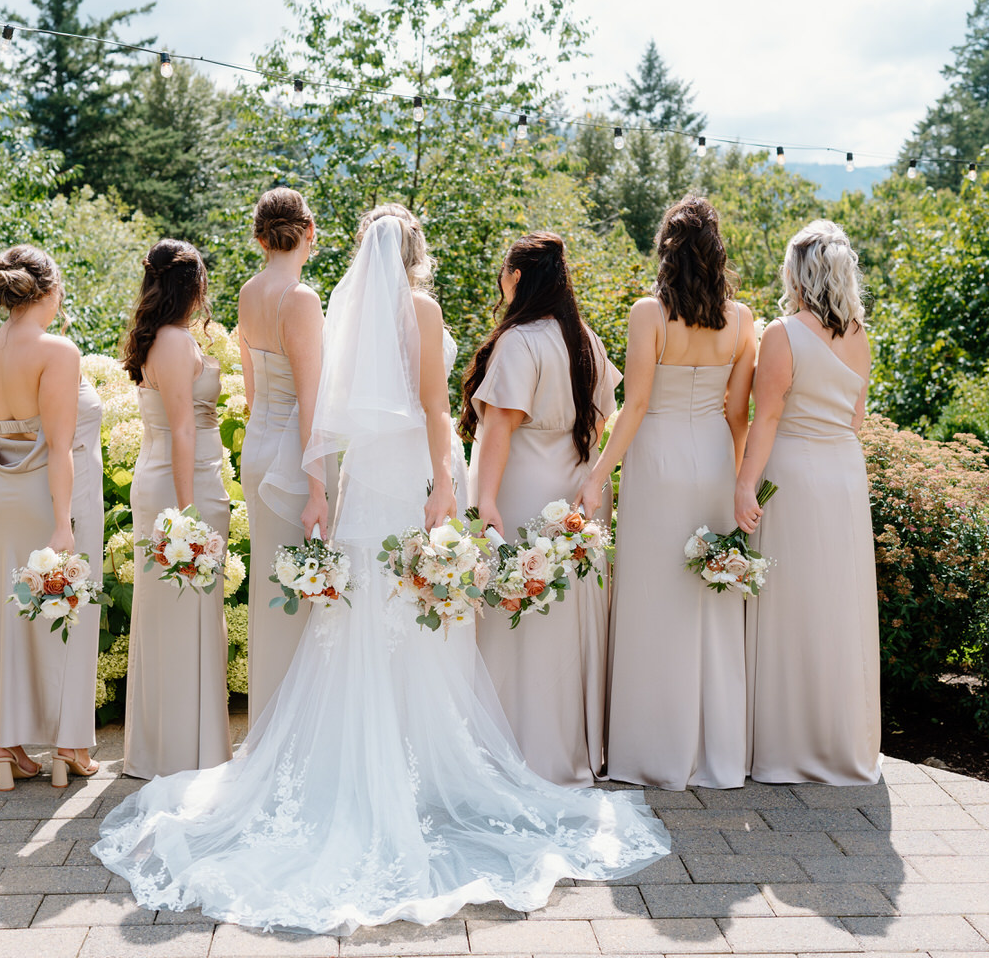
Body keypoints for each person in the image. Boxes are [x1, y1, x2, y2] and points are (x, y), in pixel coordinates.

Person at [93, 211, 670, 935]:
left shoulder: (345, 307)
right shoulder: (419, 309)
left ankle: (367, 768)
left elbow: (325, 407)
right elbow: (433, 407)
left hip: (365, 479)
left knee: (367, 613)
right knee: (419, 615)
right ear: (417, 253)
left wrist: (324, 490)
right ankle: (420, 769)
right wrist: (443, 484)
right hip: (410, 474)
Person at [581, 197, 755, 790]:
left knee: (653, 596)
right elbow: (737, 413)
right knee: (710, 596)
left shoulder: (649, 314)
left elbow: (635, 406)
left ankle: (652, 749)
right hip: (713, 458)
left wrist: (597, 475)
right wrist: (738, 480)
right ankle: (715, 751)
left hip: (657, 460)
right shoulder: (743, 321)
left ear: (666, 251)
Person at [460, 233, 621, 787]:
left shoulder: (520, 341)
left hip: (524, 491)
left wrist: (484, 500)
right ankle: (567, 748)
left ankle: (515, 749)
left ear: (518, 278)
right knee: (565, 620)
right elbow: (602, 419)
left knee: (519, 616)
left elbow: (499, 428)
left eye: (503, 275)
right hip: (575, 495)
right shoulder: (586, 340)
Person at [735, 220, 882, 785]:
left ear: (798, 274)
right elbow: (856, 419)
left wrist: (744, 484)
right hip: (843, 474)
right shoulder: (860, 335)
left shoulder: (782, 333)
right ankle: (839, 740)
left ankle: (786, 744)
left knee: (790, 603)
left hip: (794, 474)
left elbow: (766, 418)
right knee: (837, 604)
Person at [0, 245, 103, 791]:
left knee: (12, 617)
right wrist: (63, 523)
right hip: (51, 498)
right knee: (72, 614)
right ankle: (69, 746)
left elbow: (3, 429)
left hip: (4, 493)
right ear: (48, 290)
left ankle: (8, 746)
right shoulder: (57, 350)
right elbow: (59, 446)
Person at [119, 239, 232, 779]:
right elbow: (183, 428)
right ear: (193, 283)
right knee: (181, 613)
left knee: (186, 613)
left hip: (180, 477)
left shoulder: (165, 337)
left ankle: (183, 745)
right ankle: (180, 752)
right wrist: (187, 514)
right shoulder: (172, 341)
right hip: (180, 486)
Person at [236, 188, 330, 728]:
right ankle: (293, 731)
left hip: (258, 446)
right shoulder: (301, 298)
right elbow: (310, 401)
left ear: (259, 237)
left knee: (271, 582)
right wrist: (318, 488)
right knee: (298, 586)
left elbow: (253, 391)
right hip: (294, 456)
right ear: (310, 231)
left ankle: (268, 722)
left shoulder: (249, 292)